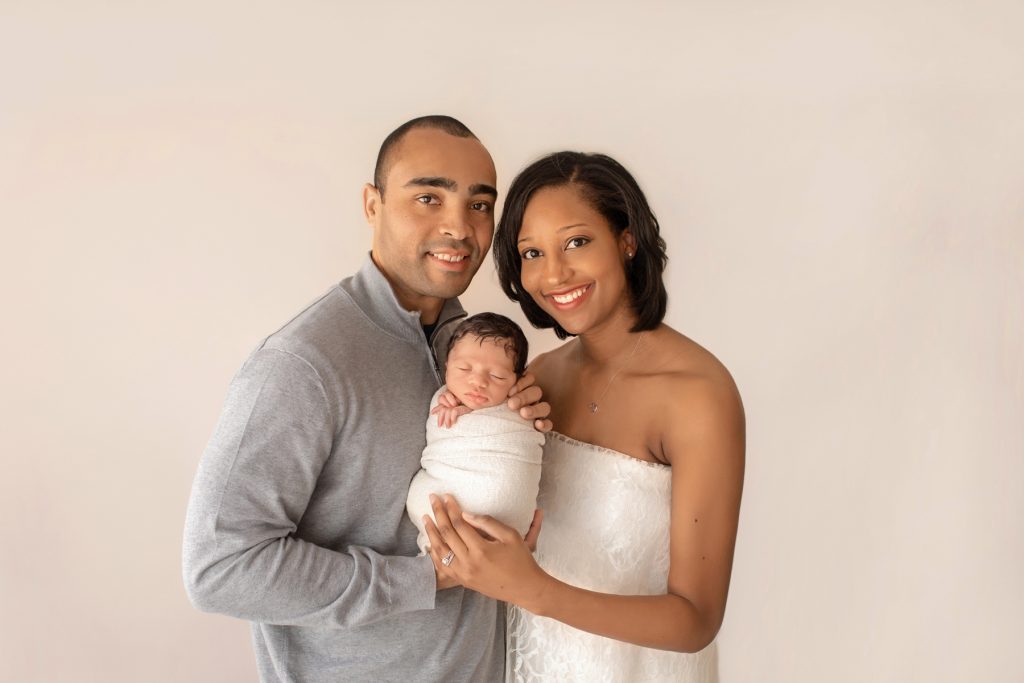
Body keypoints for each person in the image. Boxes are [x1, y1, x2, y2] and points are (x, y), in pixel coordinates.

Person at [181, 115, 551, 682]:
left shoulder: (476, 348)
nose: (459, 226)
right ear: (372, 205)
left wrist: (518, 420)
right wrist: (428, 577)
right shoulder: (303, 363)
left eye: (480, 205)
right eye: (429, 197)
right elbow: (221, 567)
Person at [423, 151, 745, 681]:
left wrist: (533, 591)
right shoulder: (536, 380)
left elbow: (696, 620)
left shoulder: (698, 397)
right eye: (531, 252)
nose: (554, 273)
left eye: (576, 241)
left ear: (627, 239)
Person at [407, 312, 544, 554]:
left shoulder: (520, 405)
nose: (478, 382)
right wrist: (446, 403)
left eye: (497, 376)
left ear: (518, 381)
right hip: (441, 502)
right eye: (464, 368)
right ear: (447, 366)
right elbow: (439, 426)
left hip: (503, 515)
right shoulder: (443, 397)